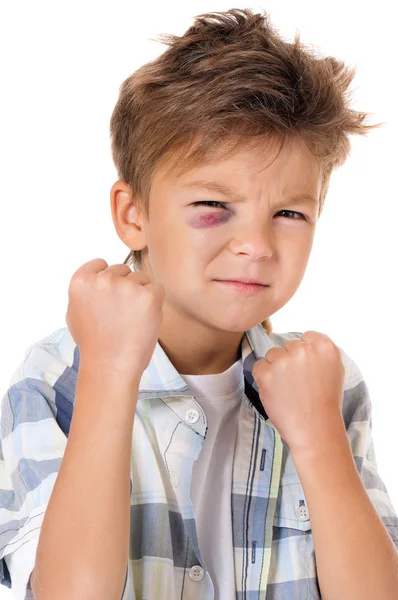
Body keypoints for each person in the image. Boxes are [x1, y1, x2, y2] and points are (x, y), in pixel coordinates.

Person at [1, 7, 397, 600]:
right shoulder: (59, 378)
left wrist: (319, 440)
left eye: (289, 213)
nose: (257, 246)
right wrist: (110, 373)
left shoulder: (327, 384)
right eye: (213, 206)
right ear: (133, 215)